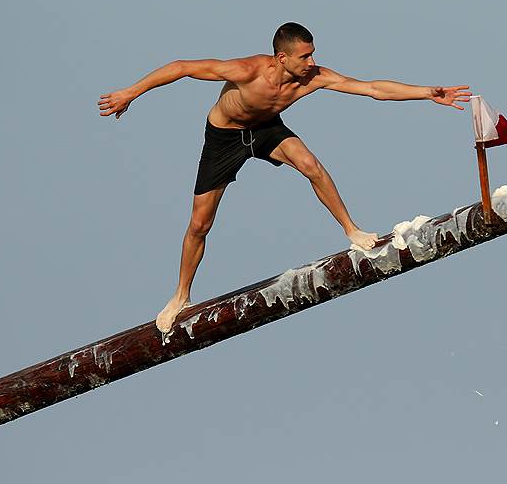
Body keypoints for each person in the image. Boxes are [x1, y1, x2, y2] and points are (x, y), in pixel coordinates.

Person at [98, 22, 471, 333]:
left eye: (313, 54)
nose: (313, 62)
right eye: (305, 56)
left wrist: (426, 93)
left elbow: (372, 88)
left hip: (266, 130)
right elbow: (181, 67)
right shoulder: (248, 71)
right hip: (224, 137)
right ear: (282, 57)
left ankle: (352, 230)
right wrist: (130, 92)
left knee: (310, 165)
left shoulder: (313, 78)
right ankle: (181, 294)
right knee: (199, 223)